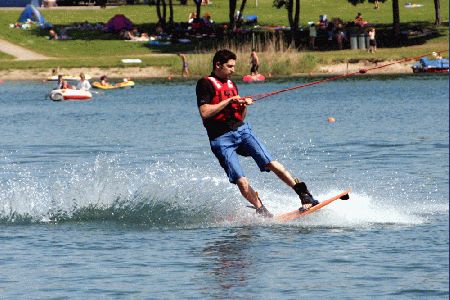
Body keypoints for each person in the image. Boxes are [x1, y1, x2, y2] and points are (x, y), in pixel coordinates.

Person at [196, 49, 319, 218]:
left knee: (271, 162)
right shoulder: (205, 84)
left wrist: (243, 105)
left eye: (234, 66)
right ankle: (262, 210)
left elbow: (241, 116)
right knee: (241, 180)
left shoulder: (232, 84)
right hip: (221, 138)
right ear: (218, 65)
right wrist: (229, 100)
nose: (233, 70)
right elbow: (204, 112)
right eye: (229, 66)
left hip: (242, 130)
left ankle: (304, 194)